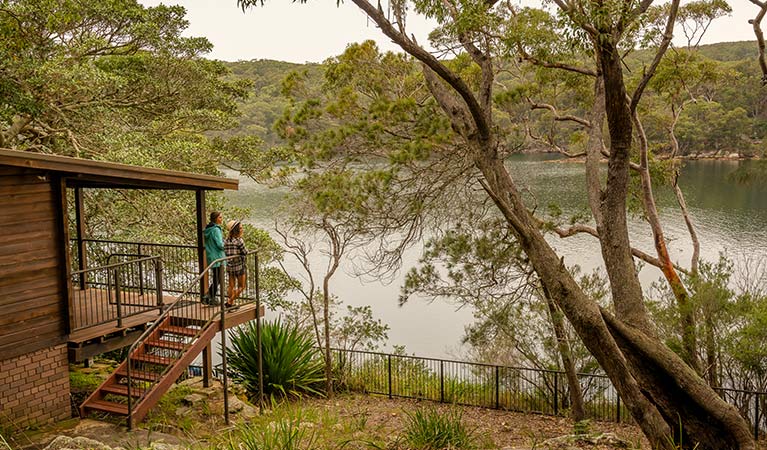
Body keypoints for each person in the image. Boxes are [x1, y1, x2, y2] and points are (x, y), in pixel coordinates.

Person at [203, 211, 225, 305]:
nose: (221, 219)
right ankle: (209, 297)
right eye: (220, 217)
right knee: (218, 278)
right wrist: (227, 246)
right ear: (215, 219)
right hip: (217, 256)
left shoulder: (208, 229)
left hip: (211, 255)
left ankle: (209, 297)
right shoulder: (216, 230)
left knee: (216, 278)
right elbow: (220, 244)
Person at [224, 220, 248, 308]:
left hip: (230, 266)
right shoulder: (239, 241)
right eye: (241, 228)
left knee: (231, 286)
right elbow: (245, 252)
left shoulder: (226, 240)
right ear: (237, 230)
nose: (242, 229)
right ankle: (230, 301)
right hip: (239, 266)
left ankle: (231, 303)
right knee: (242, 286)